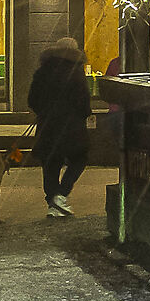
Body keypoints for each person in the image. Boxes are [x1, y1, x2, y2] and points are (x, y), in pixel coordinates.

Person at [27, 37, 92, 218]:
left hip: (48, 125)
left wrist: (44, 112)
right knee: (80, 158)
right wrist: (84, 114)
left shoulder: (42, 71)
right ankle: (61, 195)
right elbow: (84, 100)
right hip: (72, 127)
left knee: (50, 163)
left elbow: (32, 99)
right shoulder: (76, 72)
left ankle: (53, 202)